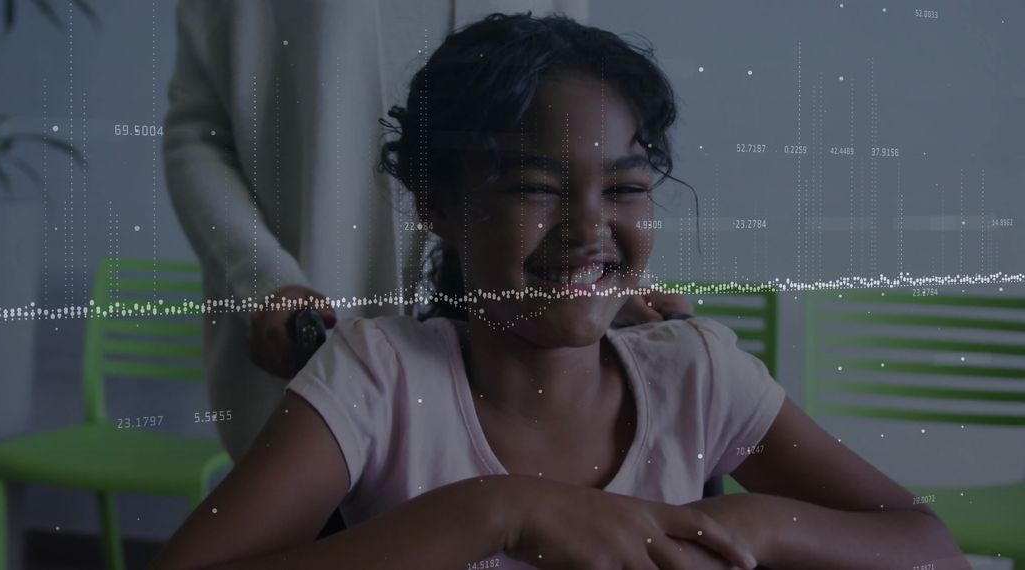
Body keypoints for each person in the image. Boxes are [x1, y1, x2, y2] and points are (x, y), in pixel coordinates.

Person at [153, 13, 966, 570]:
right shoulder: (377, 376)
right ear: (438, 206)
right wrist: (497, 514)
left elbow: (929, 545)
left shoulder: (697, 375)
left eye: (624, 188)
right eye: (535, 188)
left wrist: (751, 523)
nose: (588, 228)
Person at [163, 0, 684, 465]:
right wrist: (264, 278)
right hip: (314, 318)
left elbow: (577, 135)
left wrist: (595, 288)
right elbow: (198, 136)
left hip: (511, 357)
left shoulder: (706, 375)